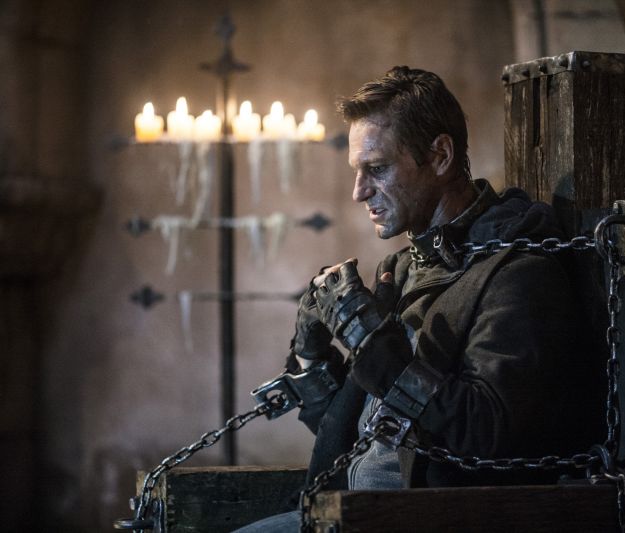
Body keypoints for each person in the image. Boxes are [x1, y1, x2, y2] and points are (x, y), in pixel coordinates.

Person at [234, 66, 602, 532]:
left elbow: (486, 432)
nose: (359, 192)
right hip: (345, 510)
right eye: (357, 172)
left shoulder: (518, 275)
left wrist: (369, 340)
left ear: (441, 156)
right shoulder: (405, 268)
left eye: (377, 169)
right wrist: (312, 350)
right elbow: (355, 431)